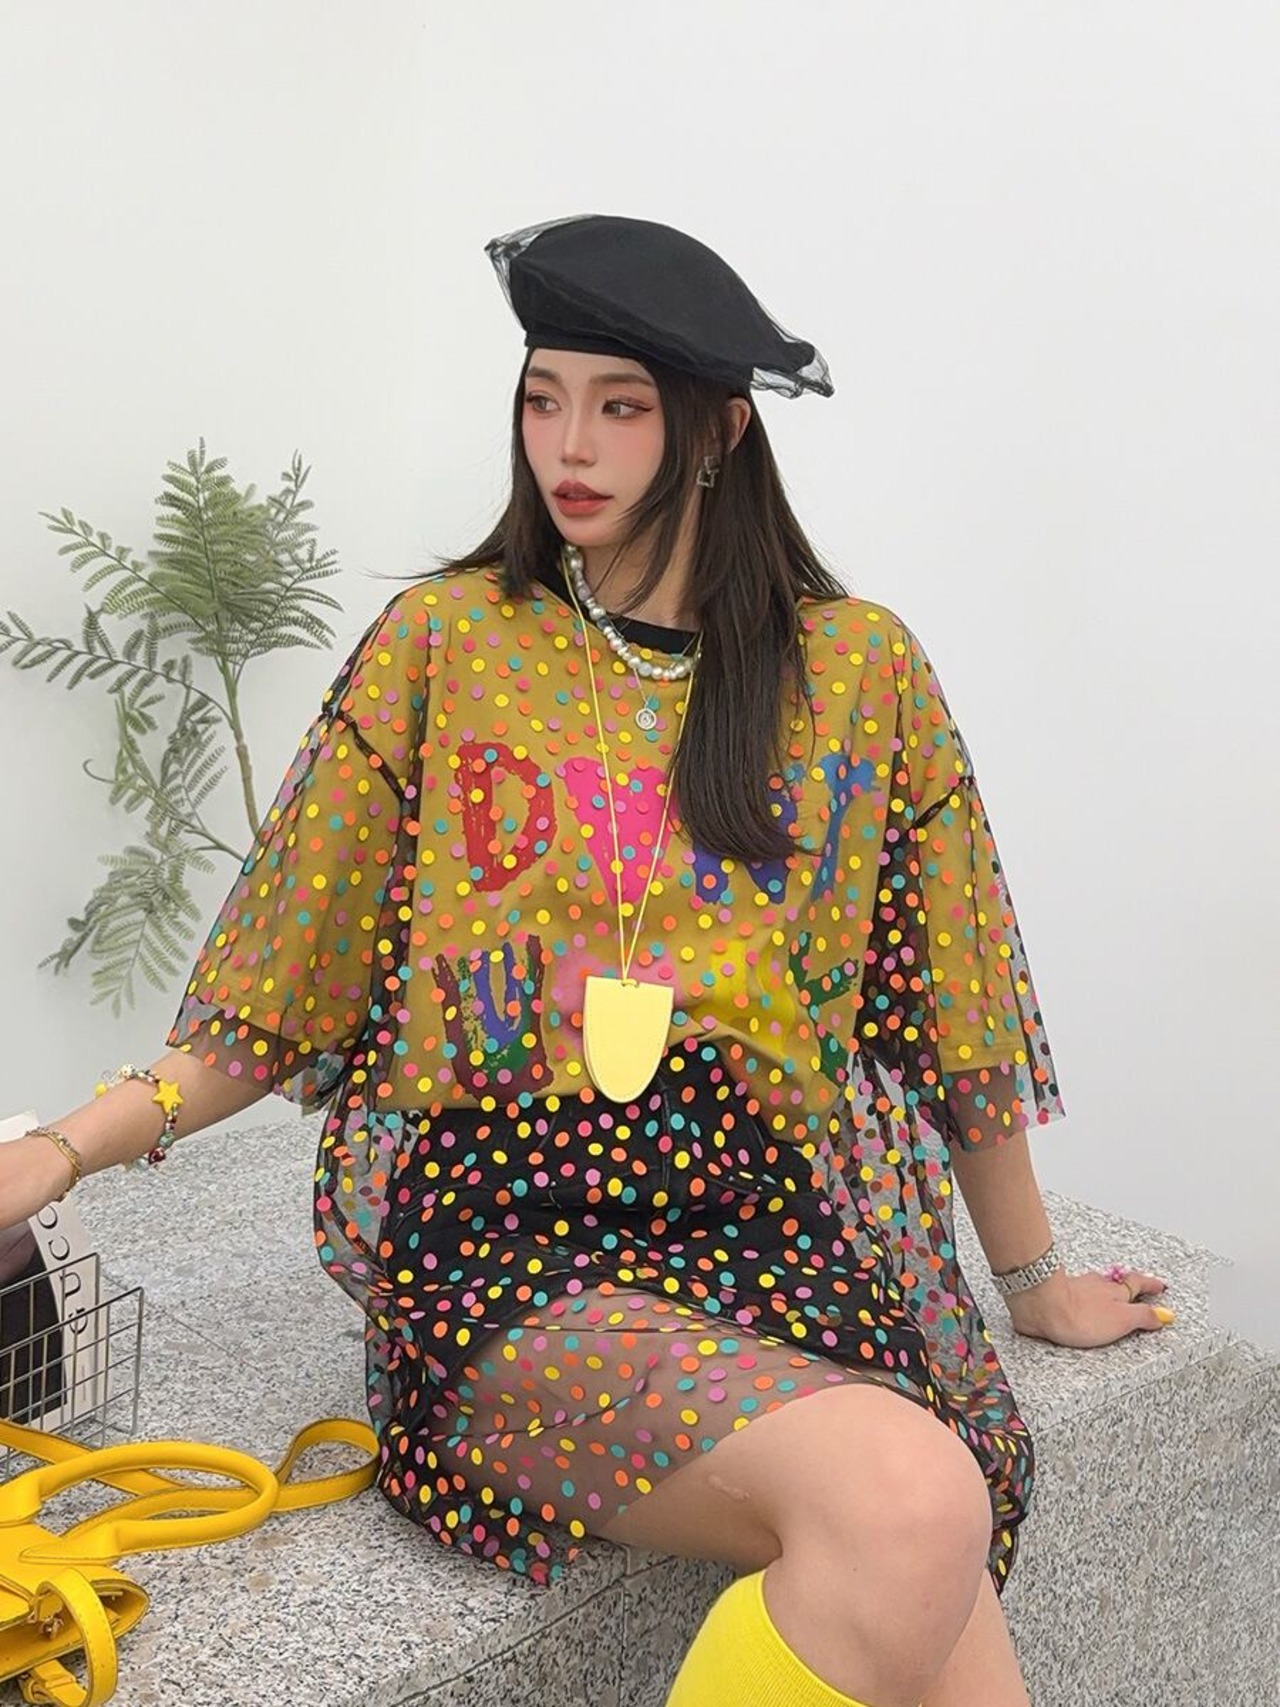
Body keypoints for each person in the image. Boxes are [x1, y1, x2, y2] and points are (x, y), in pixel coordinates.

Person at [2, 214, 1176, 1707]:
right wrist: (60, 1153)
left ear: (717, 432)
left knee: (924, 1535)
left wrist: (1033, 1280)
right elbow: (274, 1003)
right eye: (543, 398)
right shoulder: (445, 644)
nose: (570, 445)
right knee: (912, 1497)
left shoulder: (857, 673)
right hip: (514, 1241)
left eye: (621, 406)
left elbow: (951, 1003)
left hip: (775, 1229)